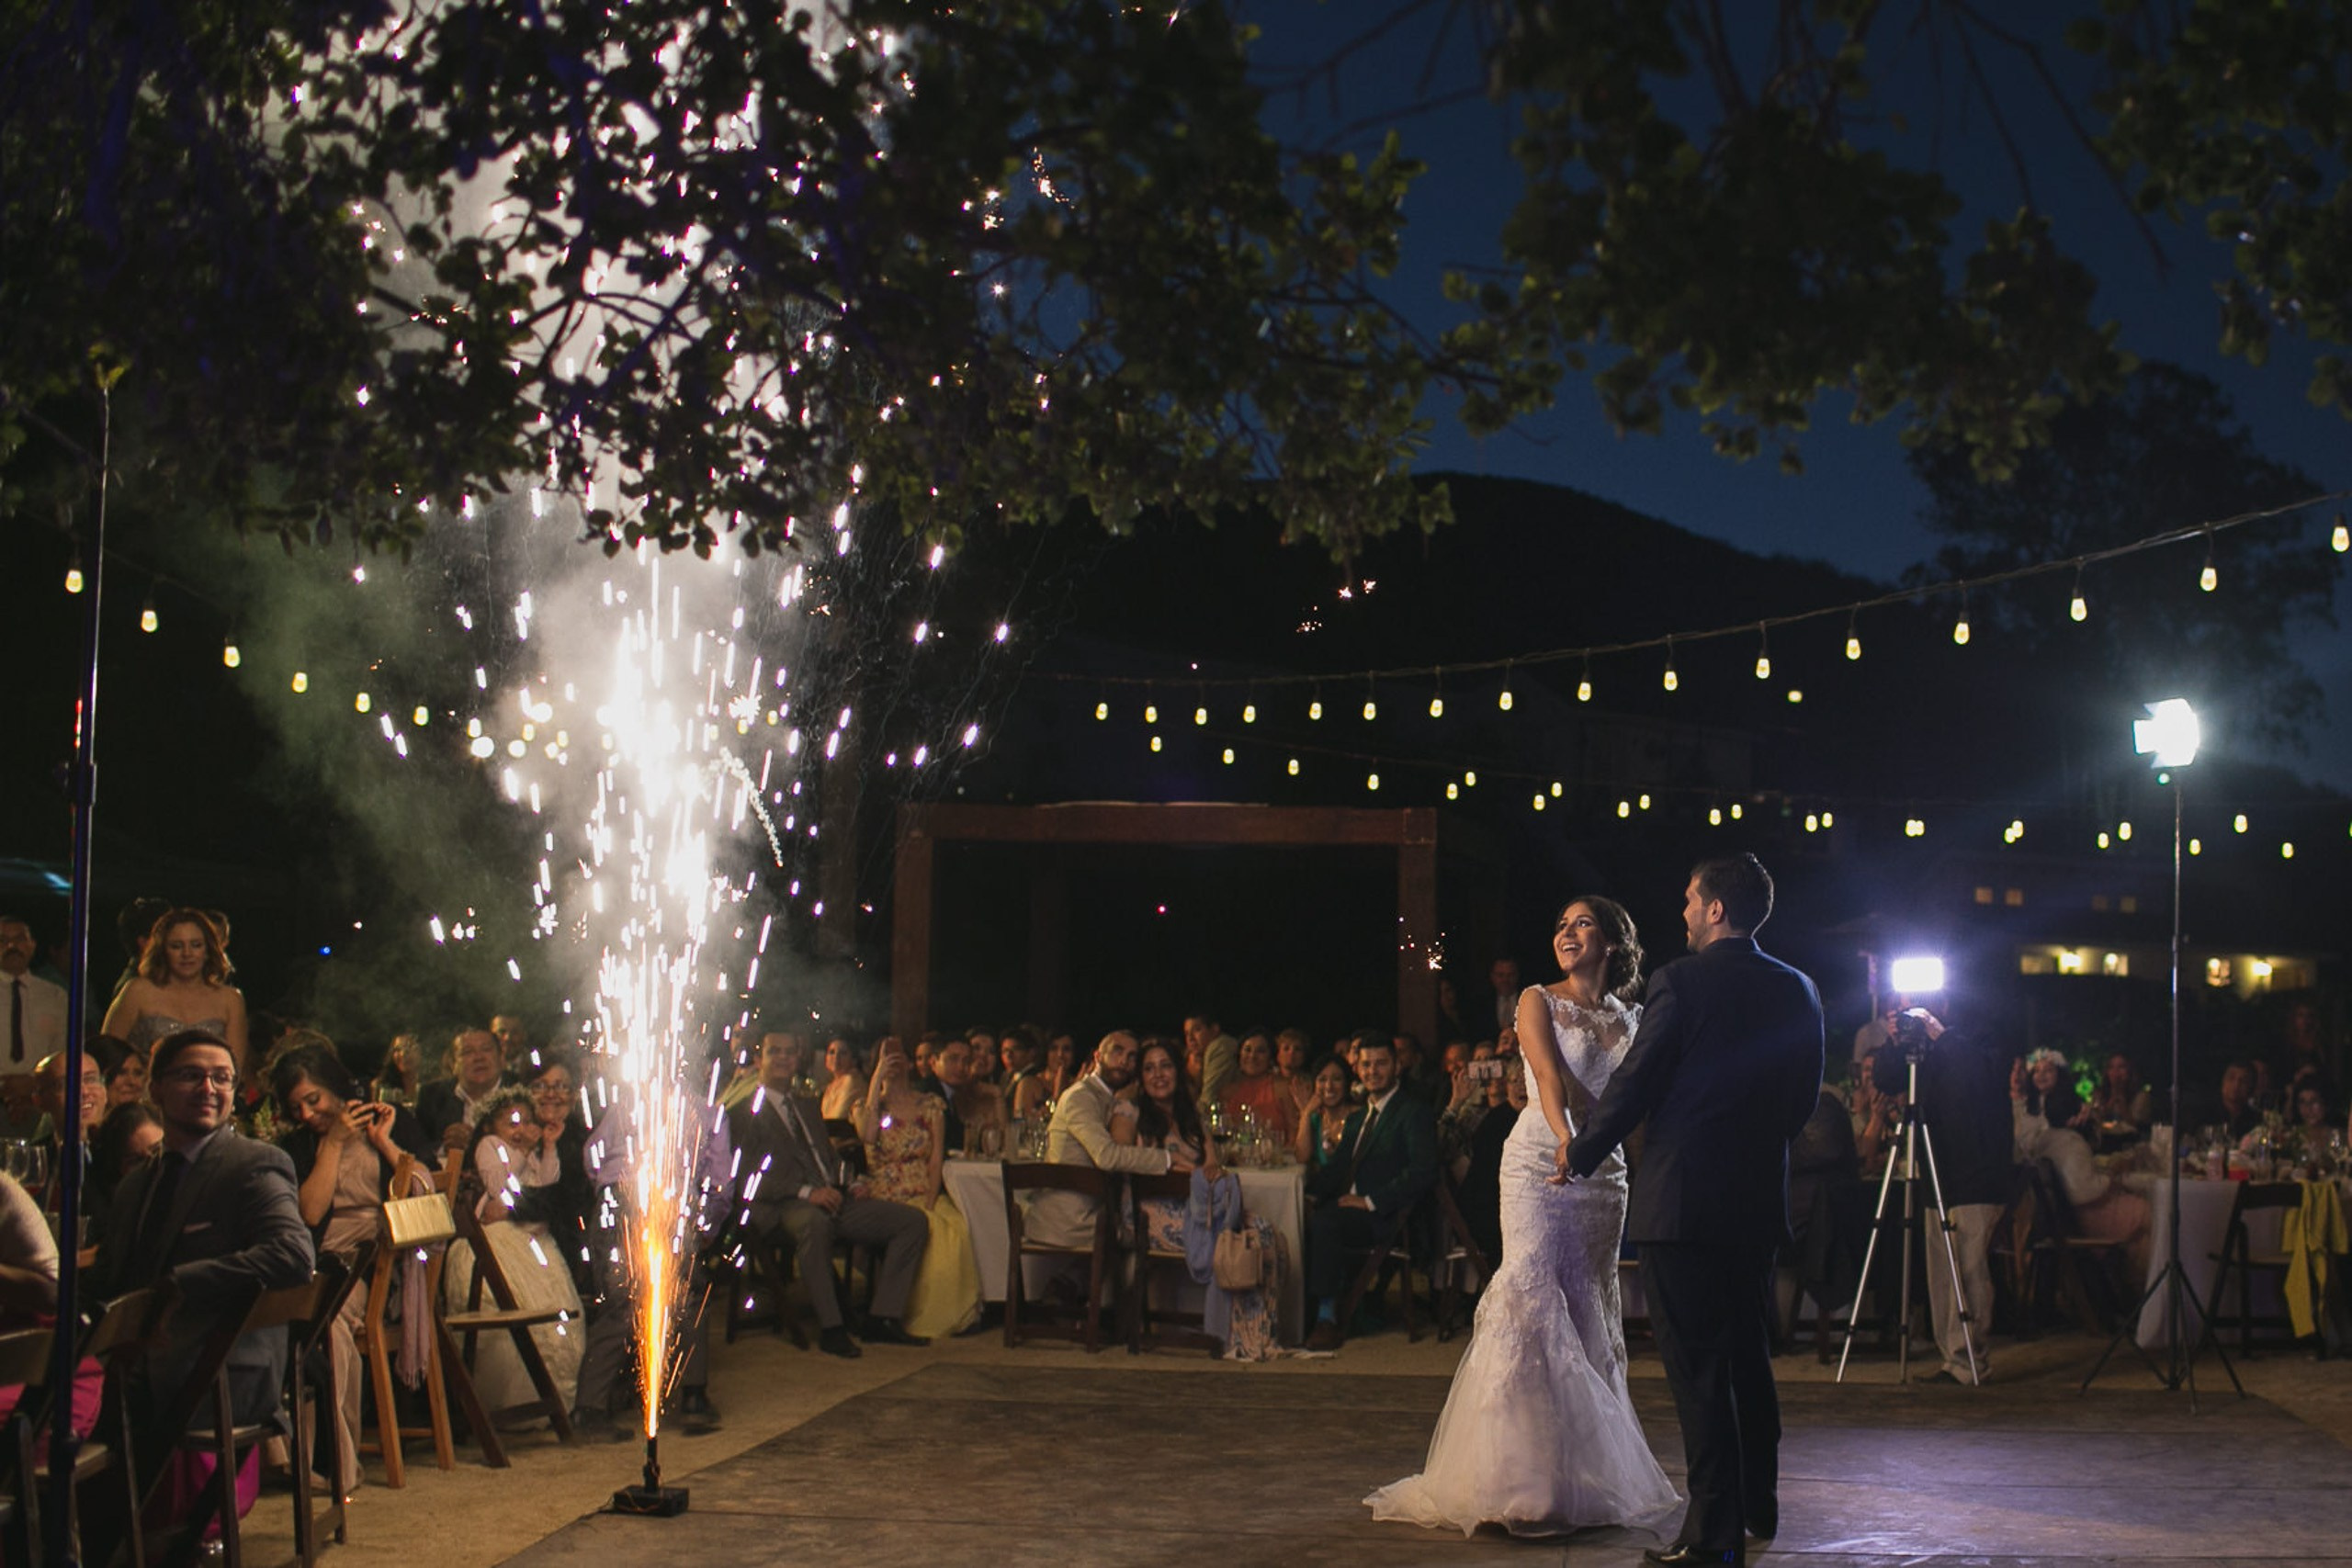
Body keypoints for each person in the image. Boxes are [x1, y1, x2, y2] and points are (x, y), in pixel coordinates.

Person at [1370, 897, 1677, 1535]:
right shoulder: (1538, 998)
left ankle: (1581, 1476)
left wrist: (1634, 1170)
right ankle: (1518, 1480)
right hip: (1541, 1161)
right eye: (1560, 923)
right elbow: (1546, 1071)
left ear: (1612, 942)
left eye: (1581, 923)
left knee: (1588, 1306)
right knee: (1530, 1298)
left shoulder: (1634, 1016)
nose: (1566, 932)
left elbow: (1637, 1105)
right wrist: (1568, 1140)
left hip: (1603, 1179)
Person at [1565, 854, 1824, 1564]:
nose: (1682, 911)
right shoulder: (1800, 987)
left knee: (1698, 1371)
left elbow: (1636, 1082)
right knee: (1747, 1357)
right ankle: (1758, 1506)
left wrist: (1580, 1151)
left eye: (1688, 899)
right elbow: (1802, 1102)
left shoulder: (1679, 981)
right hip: (1753, 1203)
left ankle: (1712, 1538)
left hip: (1681, 1205)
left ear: (1715, 909)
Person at [86, 1030, 313, 1555]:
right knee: (51, 1394)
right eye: (192, 1075)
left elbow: (293, 1256)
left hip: (220, 1369)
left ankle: (116, 1544)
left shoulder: (252, 1164)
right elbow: (113, 1279)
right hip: (151, 1358)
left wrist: (182, 1283)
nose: (209, 1087)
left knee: (71, 1413)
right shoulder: (138, 1184)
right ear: (156, 1089)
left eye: (222, 1078)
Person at [270, 1040, 437, 1493]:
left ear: (336, 1087)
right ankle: (317, 1460)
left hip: (381, 1261)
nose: (306, 1113)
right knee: (311, 1321)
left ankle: (335, 1465)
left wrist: (384, 1145)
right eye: (296, 1106)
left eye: (313, 1099)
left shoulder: (392, 1119)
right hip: (322, 1257)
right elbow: (308, 1213)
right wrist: (332, 1144)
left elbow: (426, 1194)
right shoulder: (301, 1144)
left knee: (327, 1318)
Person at [729, 1032, 931, 1358]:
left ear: (798, 1059)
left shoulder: (806, 1105)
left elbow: (826, 1156)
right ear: (759, 1060)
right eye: (774, 1052)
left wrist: (851, 1182)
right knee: (815, 1223)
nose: (782, 1058)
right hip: (781, 1205)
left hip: (832, 1196)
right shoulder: (743, 1112)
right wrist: (807, 1192)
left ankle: (882, 1317)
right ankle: (832, 1327)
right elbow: (747, 1176)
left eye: (790, 1052)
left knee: (912, 1222)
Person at [1870, 998, 2012, 1385]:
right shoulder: (1913, 1037)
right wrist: (1893, 1040)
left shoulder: (1979, 1031)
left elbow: (1981, 1077)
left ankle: (1970, 1360)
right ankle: (1953, 1359)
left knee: (1967, 1267)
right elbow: (1885, 1080)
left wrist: (1938, 1034)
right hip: (1936, 1169)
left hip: (1977, 1170)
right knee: (1940, 1271)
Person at [1114, 1039, 1283, 1359]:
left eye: (1166, 1066)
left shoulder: (1191, 1115)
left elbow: (1210, 1166)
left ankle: (1256, 1338)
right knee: (1236, 1239)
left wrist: (1210, 1174)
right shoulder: (1128, 1111)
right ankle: (1233, 1337)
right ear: (1140, 1077)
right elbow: (1118, 1156)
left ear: (1178, 1071)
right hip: (1146, 1215)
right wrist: (1168, 1163)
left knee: (1264, 1233)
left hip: (1197, 1209)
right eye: (1149, 1068)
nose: (1158, 1075)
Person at [446, 1088, 586, 1421]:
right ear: (490, 1127)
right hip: (499, 1240)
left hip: (532, 1236)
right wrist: (523, 1150)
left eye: (525, 1122)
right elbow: (502, 1186)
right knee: (510, 1307)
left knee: (554, 1308)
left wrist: (548, 1147)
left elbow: (546, 1181)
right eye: (511, 1123)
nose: (519, 1129)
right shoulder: (489, 1147)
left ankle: (552, 1400)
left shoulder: (530, 1152)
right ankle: (508, 1404)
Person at [1303, 1033, 1436, 1350]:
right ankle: (1303, 1312)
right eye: (1366, 1065)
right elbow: (1335, 1169)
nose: (1372, 1071)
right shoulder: (1360, 1117)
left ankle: (1325, 1319)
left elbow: (1423, 1171)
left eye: (1380, 1064)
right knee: (1303, 1218)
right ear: (1358, 1069)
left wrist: (1370, 1201)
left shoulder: (1412, 1112)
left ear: (1397, 1066)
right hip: (1349, 1209)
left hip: (1388, 1216)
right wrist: (1306, 1196)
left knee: (1325, 1223)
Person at [854, 1039, 981, 1339]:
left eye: (898, 1057)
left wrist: (931, 1197)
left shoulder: (930, 1105)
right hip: (886, 1190)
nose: (894, 1064)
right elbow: (868, 1135)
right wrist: (876, 1084)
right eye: (886, 1059)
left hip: (922, 1187)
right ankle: (909, 1313)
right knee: (924, 1228)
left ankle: (953, 1315)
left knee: (957, 1228)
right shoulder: (865, 1107)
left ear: (910, 1063)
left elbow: (936, 1158)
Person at [1026, 1031, 1188, 1252]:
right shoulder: (1081, 1096)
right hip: (1071, 1222)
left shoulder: (1113, 1100)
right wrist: (1169, 1159)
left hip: (1094, 1215)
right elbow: (1107, 1156)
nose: (1124, 1061)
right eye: (1117, 1051)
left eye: (1132, 1056)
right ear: (1097, 1056)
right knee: (1154, 1231)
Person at [99, 907, 249, 1069]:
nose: (187, 953)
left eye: (196, 945)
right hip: (145, 1092)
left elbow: (234, 1069)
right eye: (177, 946)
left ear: (208, 950)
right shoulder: (138, 991)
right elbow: (106, 1054)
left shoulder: (230, 1000)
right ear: (162, 950)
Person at [415, 1027, 510, 1152]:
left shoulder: (521, 1092)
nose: (479, 1058)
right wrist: (445, 1148)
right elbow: (416, 1148)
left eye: (486, 1049)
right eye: (467, 1052)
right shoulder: (432, 1096)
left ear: (501, 1057)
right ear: (453, 1064)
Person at [1216, 1030, 1295, 1144]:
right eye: (1247, 1050)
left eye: (1261, 1051)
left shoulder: (1282, 1089)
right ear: (1239, 1055)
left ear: (1271, 1057)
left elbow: (1294, 1135)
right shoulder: (1226, 1092)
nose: (1252, 1056)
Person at [1293, 1055, 1354, 1174]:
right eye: (1322, 1079)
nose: (1329, 1086)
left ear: (1347, 1083)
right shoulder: (1315, 1119)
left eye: (1336, 1079)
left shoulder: (1359, 1116)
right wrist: (1305, 1114)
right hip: (1323, 1189)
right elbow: (1301, 1158)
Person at [2012, 1049, 2081, 1148]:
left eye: (2048, 1070)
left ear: (2059, 1074)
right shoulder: (2028, 1103)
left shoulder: (2070, 1102)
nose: (2041, 1075)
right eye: (2037, 1070)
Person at [2082, 1052, 2154, 1145]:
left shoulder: (2141, 1097)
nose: (2116, 1072)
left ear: (2129, 1071)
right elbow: (2095, 1122)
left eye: (2121, 1067)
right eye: (2111, 1067)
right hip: (2105, 1143)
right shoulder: (2099, 1095)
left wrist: (2122, 1101)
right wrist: (2110, 1103)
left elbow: (2138, 1127)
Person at [819, 1034, 867, 1122]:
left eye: (843, 1053)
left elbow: (836, 1118)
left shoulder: (851, 1080)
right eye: (832, 1052)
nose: (836, 1058)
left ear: (853, 1059)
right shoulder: (832, 1084)